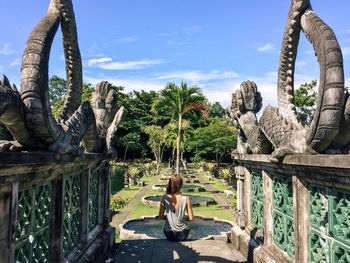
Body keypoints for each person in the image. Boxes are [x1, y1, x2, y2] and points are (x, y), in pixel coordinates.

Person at [158, 174, 194, 241]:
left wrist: (170, 217)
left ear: (170, 184)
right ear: (181, 185)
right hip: (183, 234)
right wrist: (181, 218)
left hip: (169, 234)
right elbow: (191, 218)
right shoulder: (186, 199)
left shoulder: (165, 198)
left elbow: (160, 216)